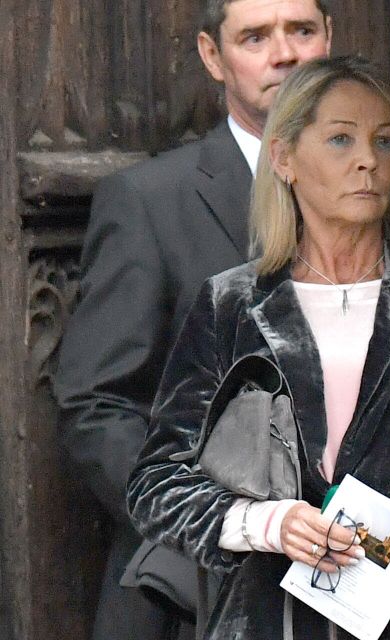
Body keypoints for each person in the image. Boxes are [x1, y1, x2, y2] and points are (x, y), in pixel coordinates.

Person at [127, 55, 390, 639]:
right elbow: (156, 484)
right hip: (272, 616)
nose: (368, 160)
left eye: (385, 141)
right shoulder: (231, 303)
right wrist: (268, 522)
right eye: (341, 139)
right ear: (284, 157)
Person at [53, 1, 333, 637]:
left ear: (328, 40)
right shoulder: (148, 202)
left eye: (302, 31)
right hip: (195, 601)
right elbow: (96, 407)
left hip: (364, 588)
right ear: (214, 56)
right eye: (256, 37)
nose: (284, 53)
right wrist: (217, 520)